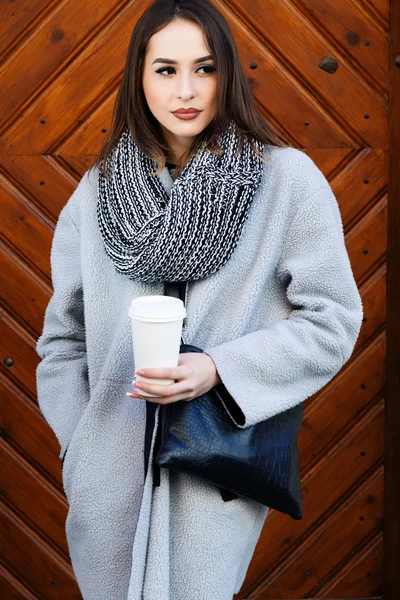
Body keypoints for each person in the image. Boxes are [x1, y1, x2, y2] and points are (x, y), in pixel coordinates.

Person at [35, 1, 363, 599]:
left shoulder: (286, 181)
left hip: (212, 477)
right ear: (138, 76)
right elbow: (63, 340)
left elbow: (333, 319)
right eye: (165, 69)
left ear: (228, 75)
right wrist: (79, 446)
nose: (186, 89)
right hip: (107, 476)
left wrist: (221, 370)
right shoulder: (97, 192)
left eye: (204, 68)